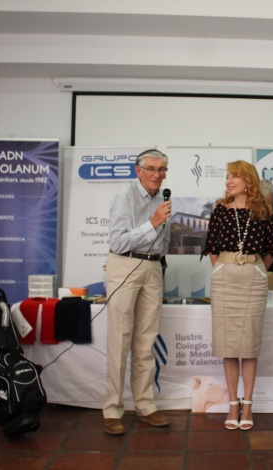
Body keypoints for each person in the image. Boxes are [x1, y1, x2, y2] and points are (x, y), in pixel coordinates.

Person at [203, 160, 273, 431]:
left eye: (234, 176)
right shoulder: (220, 210)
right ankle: (232, 404)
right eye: (227, 177)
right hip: (224, 278)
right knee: (228, 345)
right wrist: (224, 268)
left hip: (253, 279)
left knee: (248, 345)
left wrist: (254, 269)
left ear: (248, 181)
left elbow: (272, 249)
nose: (228, 181)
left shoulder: (263, 211)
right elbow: (212, 247)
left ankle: (248, 404)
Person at [103, 149, 172, 436]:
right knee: (120, 339)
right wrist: (153, 222)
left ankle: (145, 405)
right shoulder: (125, 196)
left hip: (153, 268)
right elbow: (118, 242)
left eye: (162, 169)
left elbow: (162, 240)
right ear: (138, 171)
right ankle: (112, 409)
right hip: (125, 265)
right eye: (151, 168)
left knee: (146, 340)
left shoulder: (161, 198)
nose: (157, 174)